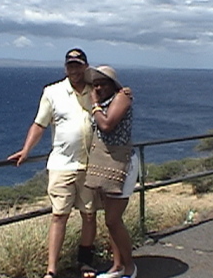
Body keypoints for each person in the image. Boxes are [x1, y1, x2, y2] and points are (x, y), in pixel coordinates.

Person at [7, 48, 99, 278]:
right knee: (59, 215)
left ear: (85, 67)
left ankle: (85, 262)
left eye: (78, 65)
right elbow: (39, 124)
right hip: (62, 164)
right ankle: (51, 270)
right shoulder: (53, 92)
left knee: (89, 215)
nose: (74, 69)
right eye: (70, 65)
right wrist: (26, 150)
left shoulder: (95, 91)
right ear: (65, 67)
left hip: (90, 165)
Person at [84, 65, 138, 278]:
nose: (98, 87)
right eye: (96, 84)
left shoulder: (122, 98)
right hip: (107, 164)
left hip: (121, 164)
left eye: (103, 83)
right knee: (111, 219)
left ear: (113, 85)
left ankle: (130, 267)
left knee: (113, 220)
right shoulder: (107, 101)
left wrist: (95, 104)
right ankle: (117, 266)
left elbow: (107, 125)